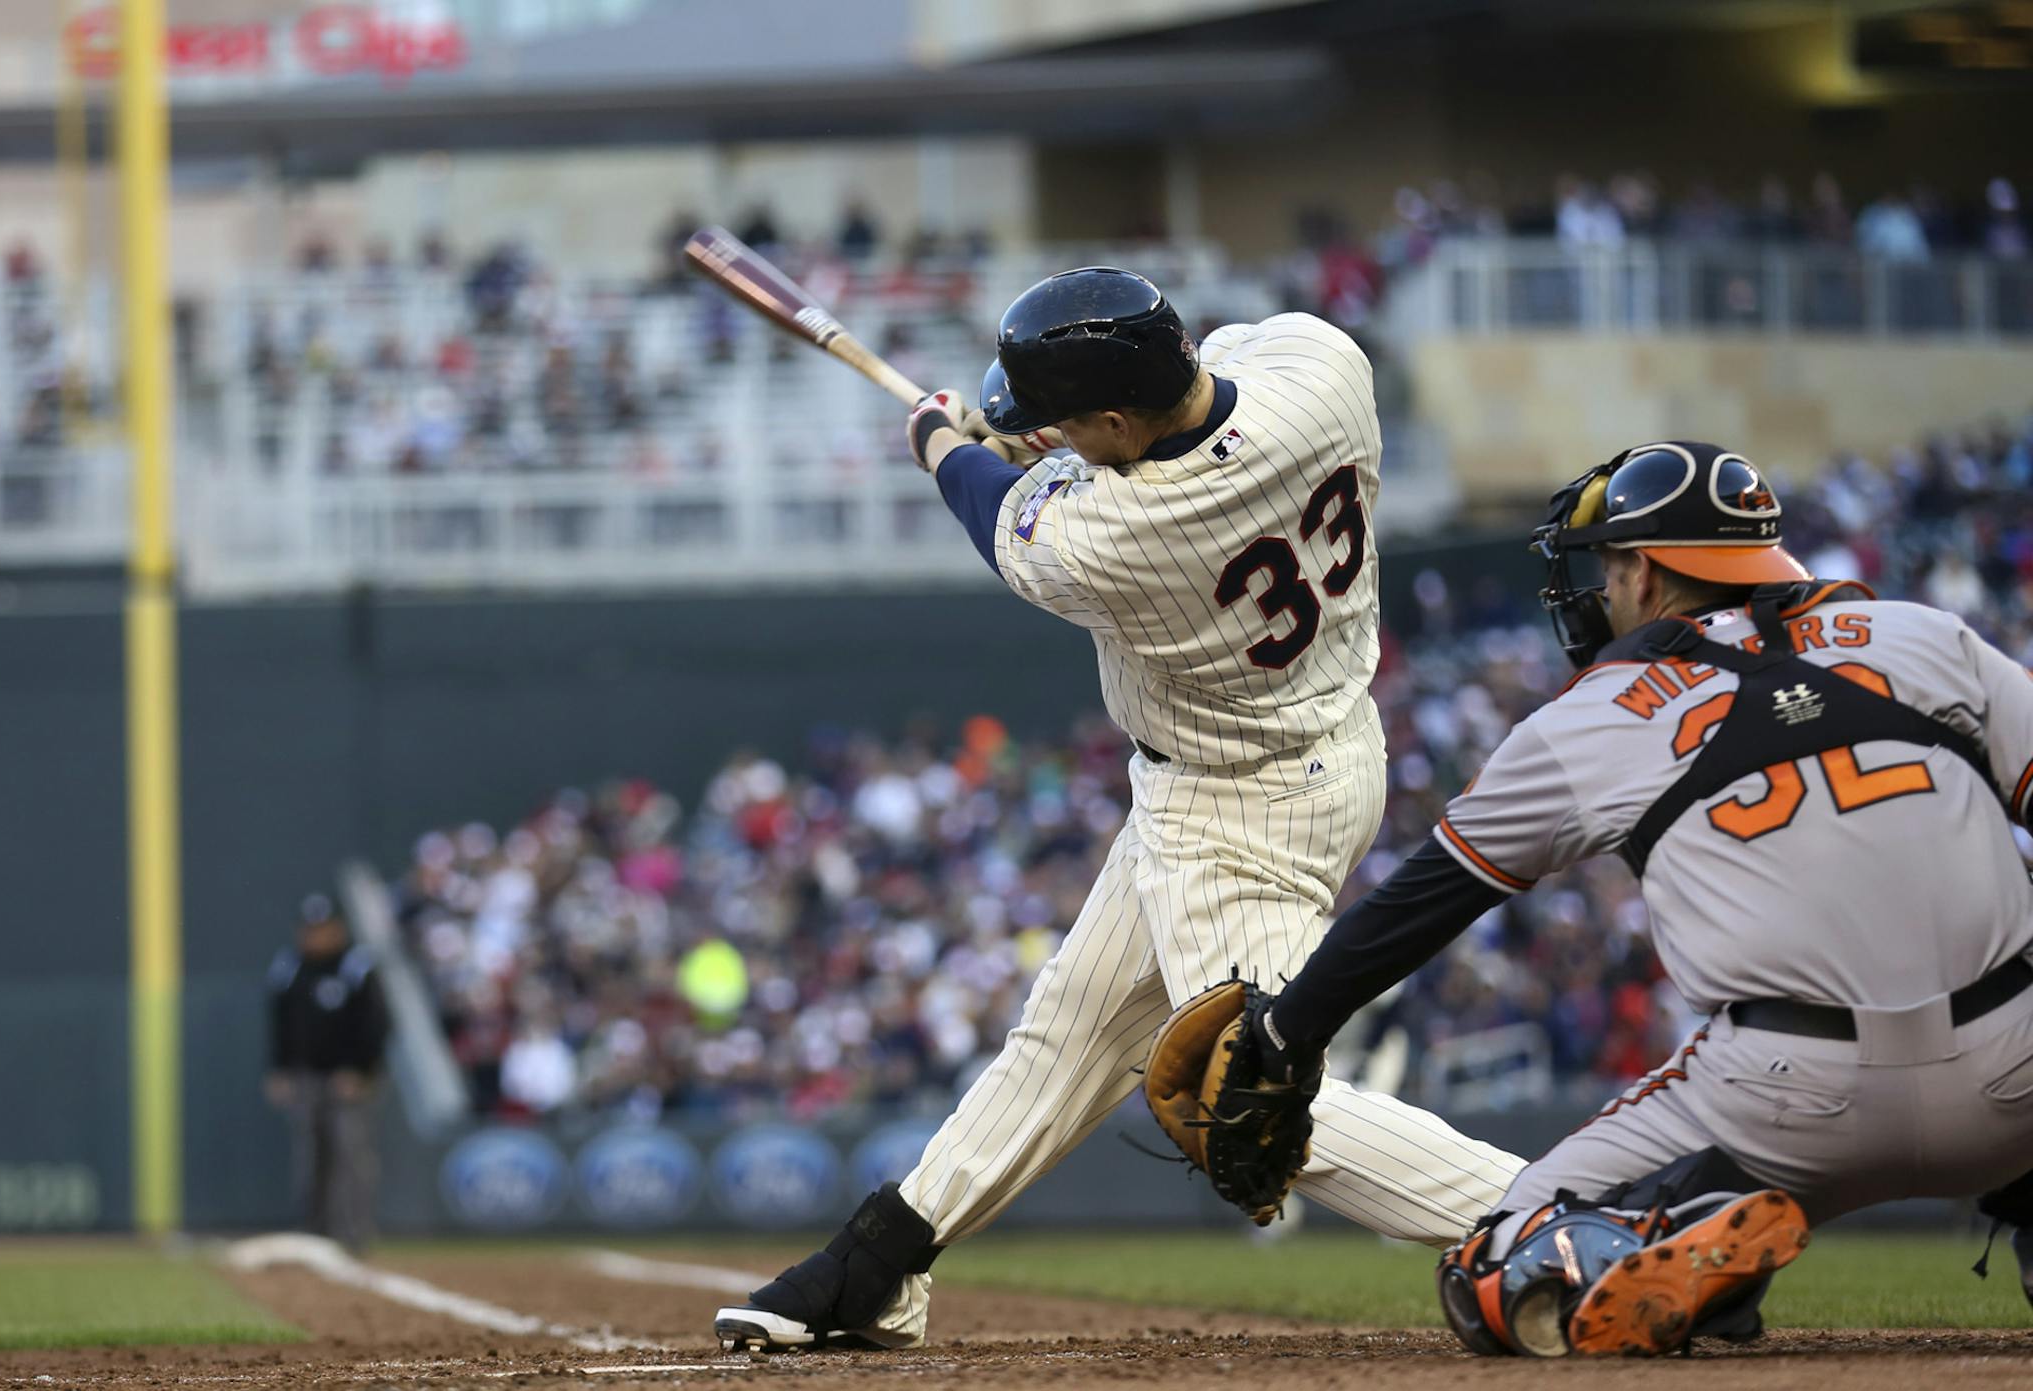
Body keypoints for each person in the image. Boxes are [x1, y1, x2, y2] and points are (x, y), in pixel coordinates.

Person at [711, 267, 1523, 1352]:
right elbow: (1195, 393)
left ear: (1109, 418)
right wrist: (1063, 445)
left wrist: (944, 441)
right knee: (1072, 1033)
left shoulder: (1106, 538)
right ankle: (881, 1260)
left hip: (1241, 806)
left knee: (1249, 1095)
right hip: (1312, 745)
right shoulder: (1326, 368)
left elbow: (996, 507)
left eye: (1067, 423)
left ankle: (1577, 1214)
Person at [1235, 441, 2033, 1356]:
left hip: (1786, 1097)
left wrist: (1284, 1034)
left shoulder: (1590, 716)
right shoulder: (1926, 636)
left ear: (1648, 574)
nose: (1600, 590)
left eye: (1609, 567)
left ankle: (1689, 1211)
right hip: (2018, 1068)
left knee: (1501, 1260)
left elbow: (1421, 904)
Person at [266, 893, 389, 1252]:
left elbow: (377, 1024)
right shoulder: (289, 967)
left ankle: (353, 1237)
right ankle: (314, 1234)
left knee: (351, 1155)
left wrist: (361, 1070)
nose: (315, 937)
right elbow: (280, 1023)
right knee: (311, 1156)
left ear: (338, 929)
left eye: (322, 929)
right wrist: (280, 1069)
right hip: (307, 1077)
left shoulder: (357, 965)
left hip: (348, 1078)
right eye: (309, 929)